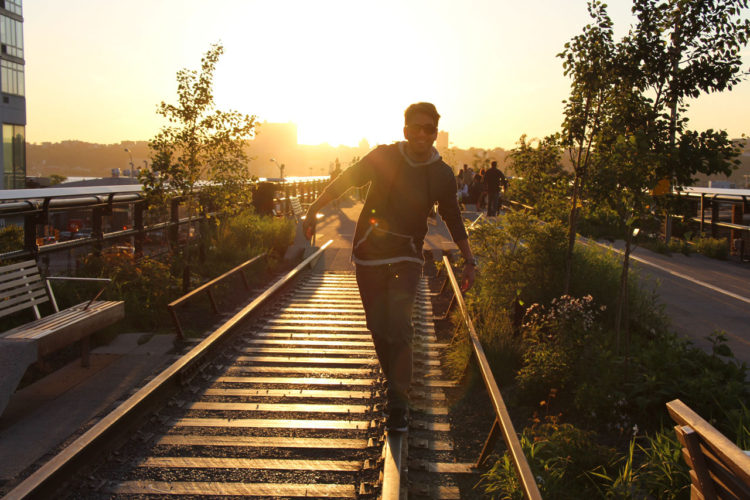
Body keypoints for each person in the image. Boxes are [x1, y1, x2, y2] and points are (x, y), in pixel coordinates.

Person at [302, 102, 476, 432]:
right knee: (377, 327)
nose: (422, 134)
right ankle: (395, 384)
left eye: (429, 129)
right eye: (416, 128)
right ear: (405, 130)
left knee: (399, 324)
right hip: (369, 251)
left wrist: (469, 260)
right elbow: (346, 181)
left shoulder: (441, 173)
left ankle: (399, 401)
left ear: (436, 134)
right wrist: (314, 206)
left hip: (408, 254)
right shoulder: (384, 156)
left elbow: (452, 216)